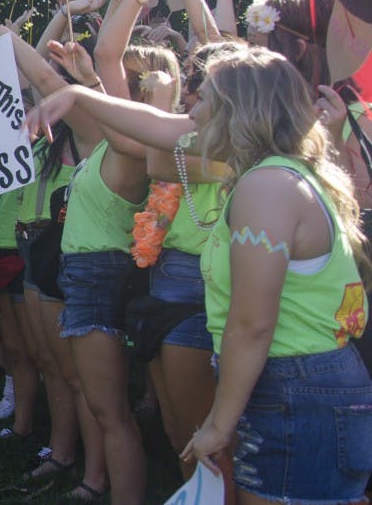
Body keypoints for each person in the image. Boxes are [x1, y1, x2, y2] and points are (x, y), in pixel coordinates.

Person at [34, 47, 372, 504]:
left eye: (204, 100)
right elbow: (154, 129)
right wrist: (75, 93)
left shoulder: (266, 187)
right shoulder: (270, 173)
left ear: (236, 113)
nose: (191, 112)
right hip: (298, 382)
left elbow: (252, 326)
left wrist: (217, 424)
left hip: (296, 386)